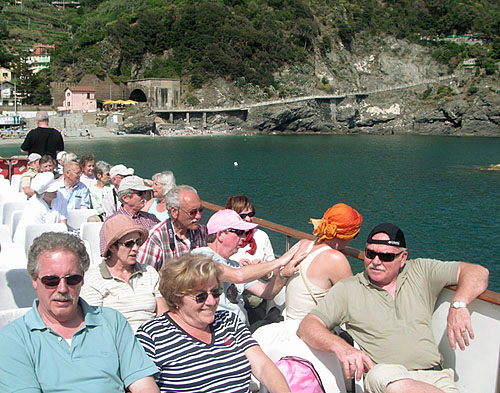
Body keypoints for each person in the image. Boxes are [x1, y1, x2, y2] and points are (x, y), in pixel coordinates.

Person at [297, 223, 489, 393]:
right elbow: (308, 326)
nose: (376, 262)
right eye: (370, 254)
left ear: (403, 258)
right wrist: (342, 348)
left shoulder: (422, 271)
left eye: (386, 256)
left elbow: (477, 272)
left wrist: (459, 304)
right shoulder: (348, 289)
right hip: (384, 376)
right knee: (387, 378)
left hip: (435, 377)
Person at [0, 232, 160, 392]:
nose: (62, 289)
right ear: (35, 280)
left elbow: (143, 384)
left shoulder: (112, 321)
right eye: (51, 281)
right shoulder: (14, 339)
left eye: (72, 280)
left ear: (83, 279)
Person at [136, 253, 292, 393]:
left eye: (216, 292)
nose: (211, 302)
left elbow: (264, 367)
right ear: (176, 298)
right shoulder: (152, 336)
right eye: (200, 297)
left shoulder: (229, 321)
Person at [191, 209, 306, 328]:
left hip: (241, 330)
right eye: (239, 232)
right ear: (220, 235)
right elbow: (238, 276)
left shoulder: (234, 265)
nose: (244, 237)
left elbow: (266, 293)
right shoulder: (200, 258)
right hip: (219, 330)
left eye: (245, 233)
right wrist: (279, 261)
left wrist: (282, 275)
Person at [81, 215, 167, 332]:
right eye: (129, 244)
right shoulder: (94, 279)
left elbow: (163, 316)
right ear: (112, 247)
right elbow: (93, 325)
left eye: (138, 242)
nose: (136, 248)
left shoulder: (150, 273)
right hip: (116, 340)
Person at [285, 203, 362, 320]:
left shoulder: (303, 244)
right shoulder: (335, 258)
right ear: (346, 236)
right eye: (355, 235)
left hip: (288, 321)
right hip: (309, 329)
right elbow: (355, 303)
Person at [225, 195, 275, 323]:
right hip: (234, 295)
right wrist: (237, 265)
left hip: (258, 295)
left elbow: (273, 269)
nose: (248, 219)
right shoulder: (226, 238)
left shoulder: (261, 236)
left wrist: (263, 269)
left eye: (251, 214)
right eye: (242, 216)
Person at [137, 185, 207, 271]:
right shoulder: (156, 237)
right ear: (174, 212)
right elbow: (144, 275)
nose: (198, 216)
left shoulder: (203, 232)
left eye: (201, 210)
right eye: (192, 212)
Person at [100, 175, 159, 254]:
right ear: (125, 198)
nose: (144, 196)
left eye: (145, 192)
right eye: (140, 193)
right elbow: (105, 252)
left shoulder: (151, 219)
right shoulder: (112, 223)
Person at [13, 172, 68, 244]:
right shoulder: (34, 205)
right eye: (52, 191)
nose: (56, 191)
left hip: (54, 239)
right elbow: (38, 232)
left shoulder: (60, 196)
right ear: (42, 194)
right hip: (31, 241)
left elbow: (63, 221)